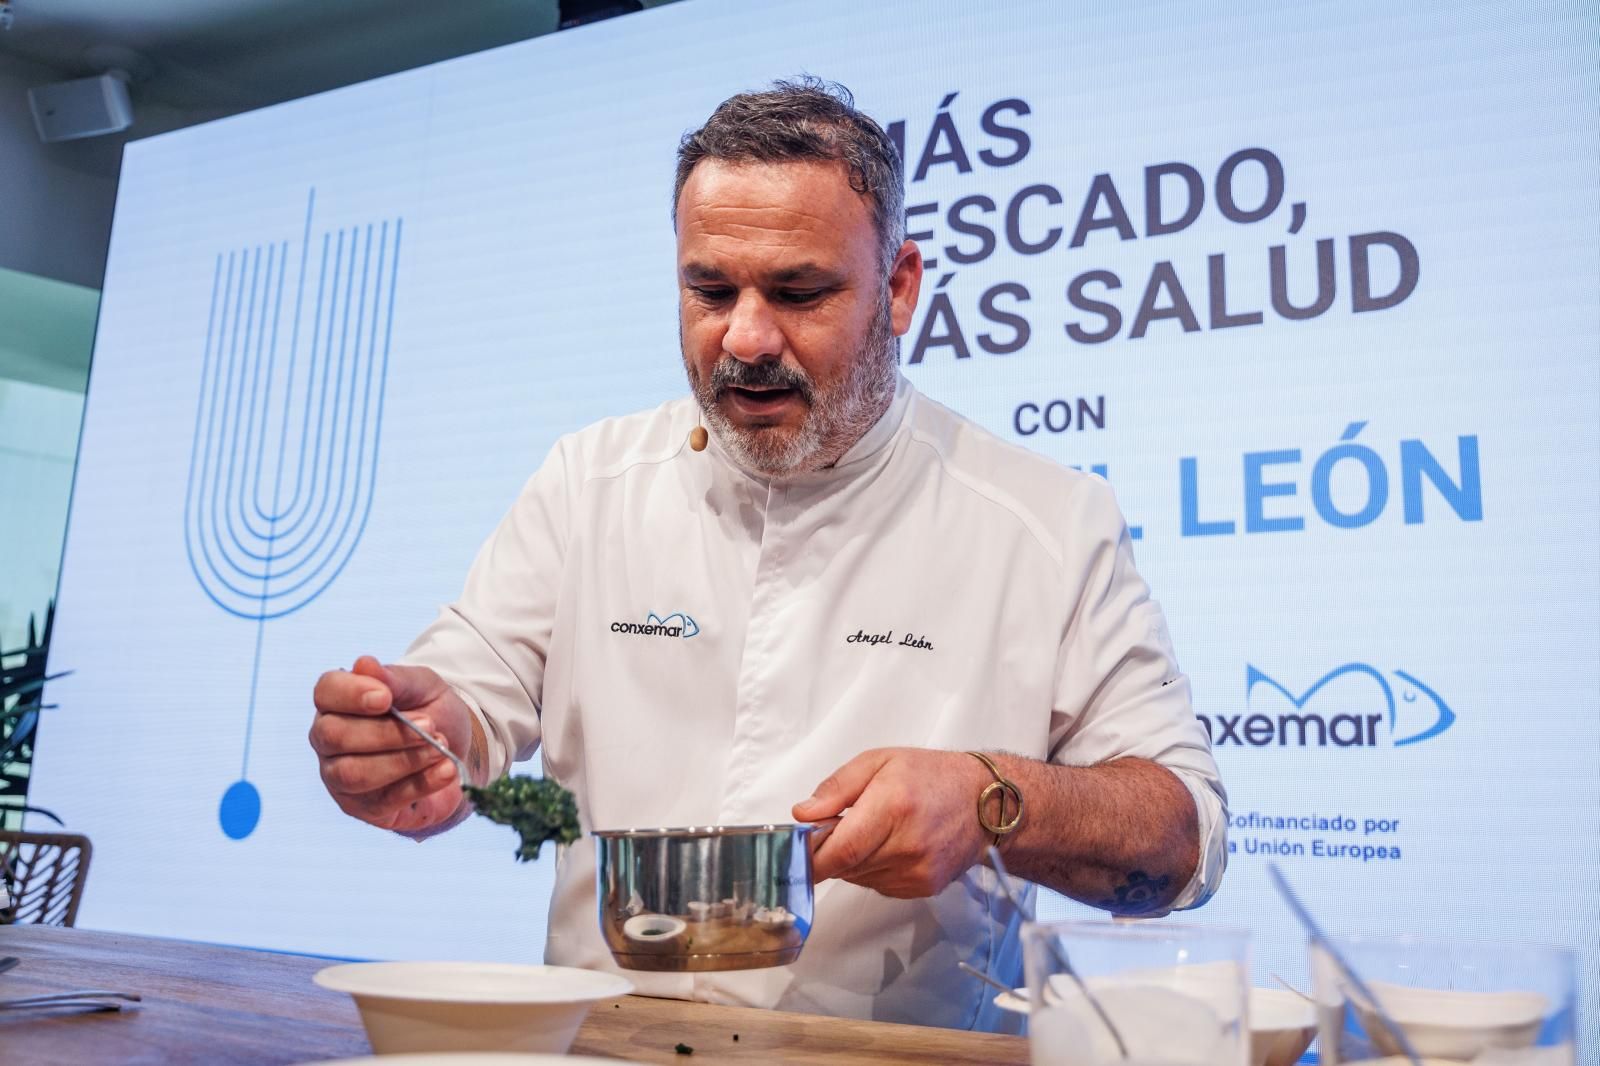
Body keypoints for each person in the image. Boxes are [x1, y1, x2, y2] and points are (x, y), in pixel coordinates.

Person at [309, 78, 1226, 1031]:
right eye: (710, 291)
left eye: (798, 292)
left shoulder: (1046, 522)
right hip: (602, 1046)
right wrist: (415, 741)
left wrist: (993, 800)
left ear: (900, 288)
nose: (744, 338)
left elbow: (1185, 842)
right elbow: (468, 699)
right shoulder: (589, 483)